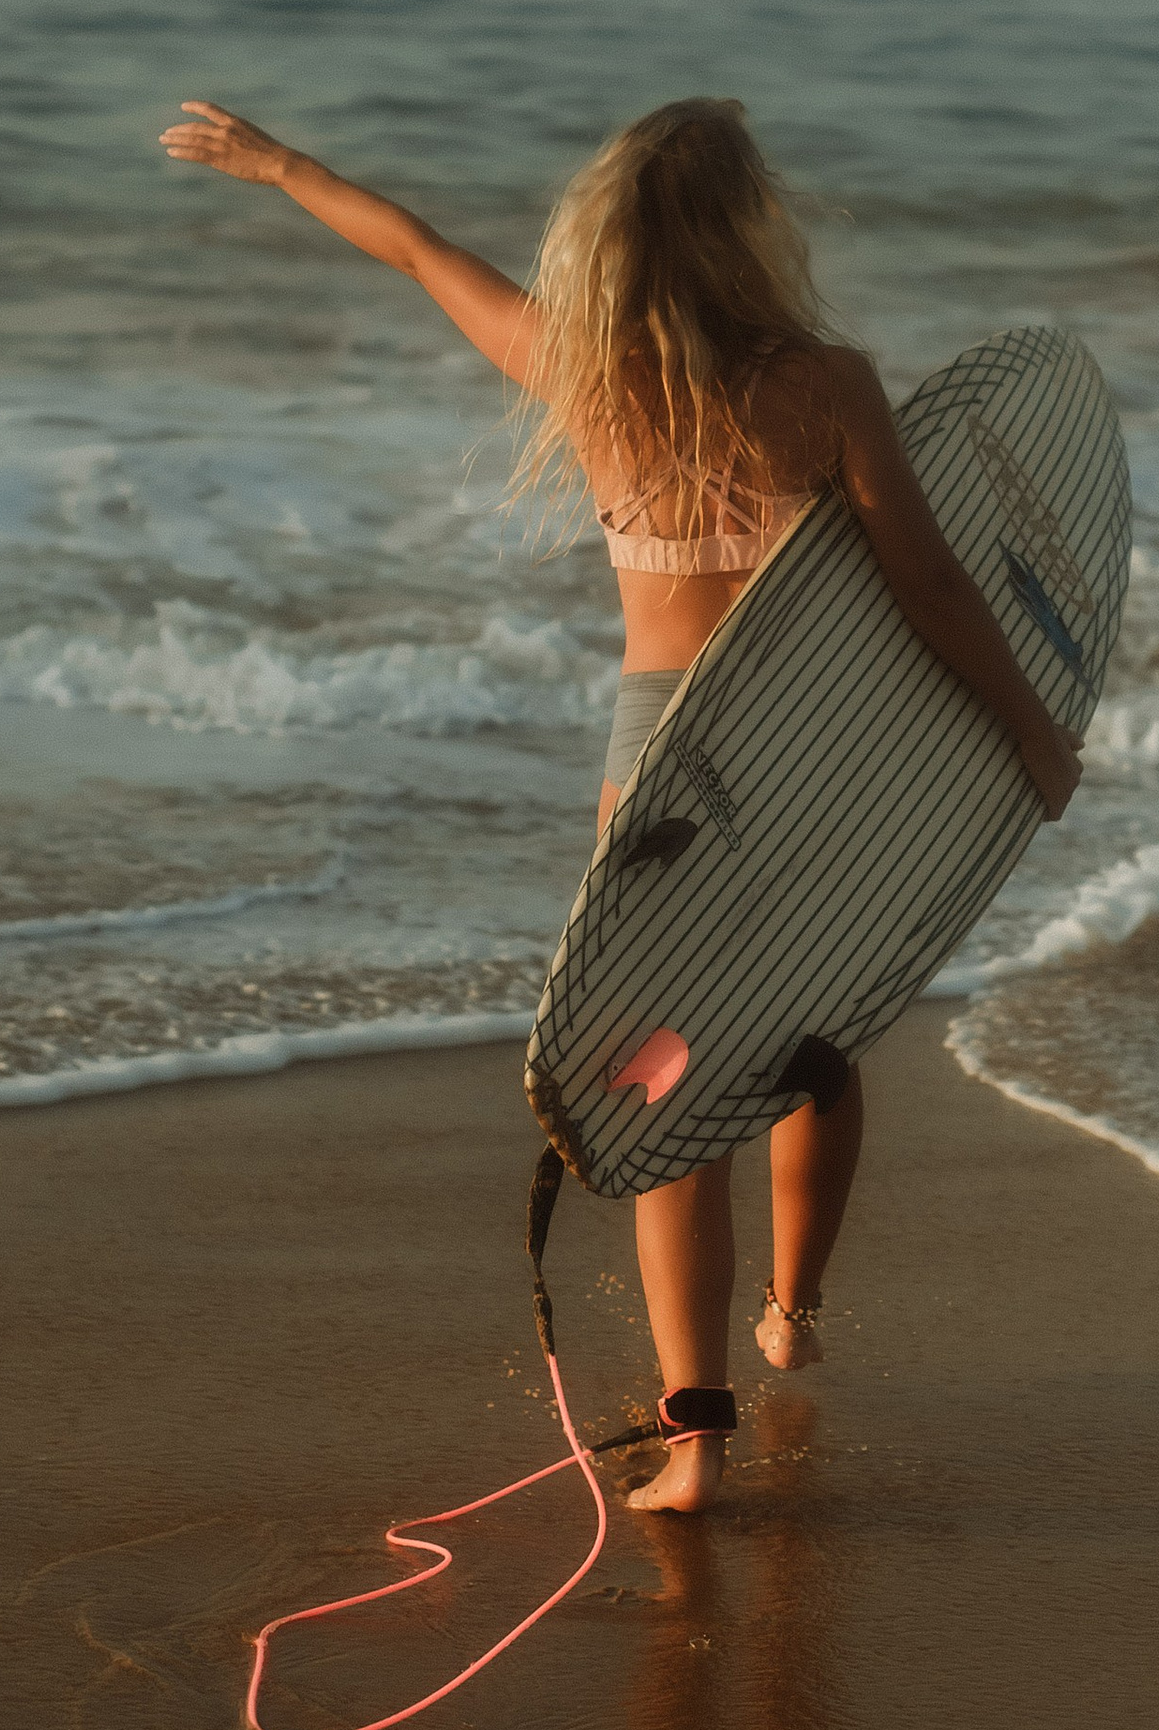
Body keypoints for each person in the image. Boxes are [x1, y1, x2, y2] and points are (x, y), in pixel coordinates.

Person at [159, 91, 1080, 1513]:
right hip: (808, 742)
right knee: (812, 1033)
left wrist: (277, 164)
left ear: (613, 242)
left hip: (655, 761)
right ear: (746, 229)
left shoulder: (586, 377)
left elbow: (412, 251)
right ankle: (795, 1309)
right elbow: (934, 588)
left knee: (661, 1072)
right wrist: (1031, 733)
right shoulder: (827, 384)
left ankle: (696, 1441)